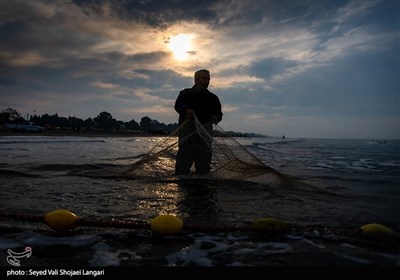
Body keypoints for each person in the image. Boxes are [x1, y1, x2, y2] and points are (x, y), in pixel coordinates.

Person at [174, 69, 223, 175]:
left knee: (203, 169)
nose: (207, 81)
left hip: (204, 138)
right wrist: (186, 110)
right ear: (196, 79)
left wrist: (216, 117)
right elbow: (178, 105)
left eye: (208, 79)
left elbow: (219, 113)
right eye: (204, 78)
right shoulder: (185, 93)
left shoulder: (213, 98)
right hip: (187, 136)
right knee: (182, 169)